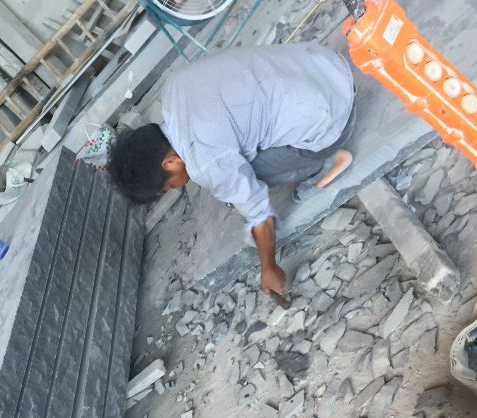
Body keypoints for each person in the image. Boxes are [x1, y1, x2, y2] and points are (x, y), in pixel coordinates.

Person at [108, 43, 356, 297]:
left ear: (169, 162)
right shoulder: (174, 86)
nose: (174, 187)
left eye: (168, 186)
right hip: (325, 63)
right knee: (236, 156)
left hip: (334, 116)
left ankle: (324, 163)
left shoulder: (205, 163)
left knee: (245, 178)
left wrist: (268, 267)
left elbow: (259, 214)